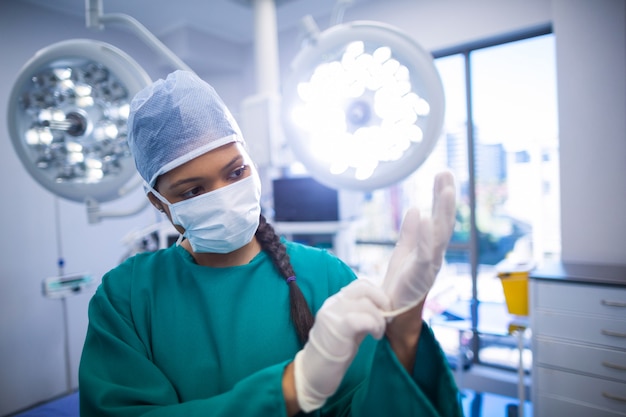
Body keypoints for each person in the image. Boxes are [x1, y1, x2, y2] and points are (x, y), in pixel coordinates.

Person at [78, 70, 462, 417]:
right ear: (160, 204)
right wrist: (294, 388)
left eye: (236, 171)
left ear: (252, 163)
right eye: (193, 190)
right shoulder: (127, 296)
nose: (224, 195)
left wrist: (406, 330)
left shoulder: (324, 277)